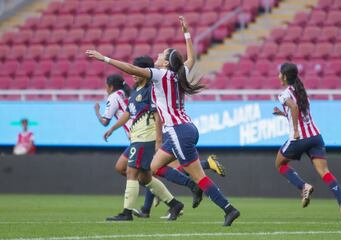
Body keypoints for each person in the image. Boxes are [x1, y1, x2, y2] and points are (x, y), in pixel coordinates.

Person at [86, 16, 240, 226]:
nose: (157, 56)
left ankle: (228, 209)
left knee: (199, 177)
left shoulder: (160, 75)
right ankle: (196, 189)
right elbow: (192, 59)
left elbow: (132, 69)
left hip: (177, 130)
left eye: (161, 55)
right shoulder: (178, 73)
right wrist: (186, 33)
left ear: (166, 62)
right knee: (154, 166)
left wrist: (105, 58)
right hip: (184, 128)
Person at [101, 55, 185, 221]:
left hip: (146, 136)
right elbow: (128, 113)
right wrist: (112, 128)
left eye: (137, 69)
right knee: (145, 177)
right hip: (137, 136)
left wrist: (158, 140)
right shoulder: (135, 91)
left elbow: (157, 115)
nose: (133, 73)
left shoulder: (151, 90)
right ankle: (174, 204)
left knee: (132, 171)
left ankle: (127, 212)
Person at [273, 62, 341, 221]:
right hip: (315, 136)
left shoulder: (284, 94)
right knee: (325, 172)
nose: (278, 76)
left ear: (285, 76)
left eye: (280, 74)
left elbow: (294, 108)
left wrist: (294, 130)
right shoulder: (302, 91)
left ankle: (304, 186)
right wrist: (283, 113)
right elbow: (298, 111)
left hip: (299, 138)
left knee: (280, 164)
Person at [94, 74, 132, 177]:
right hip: (140, 132)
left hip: (136, 135)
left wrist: (97, 112)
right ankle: (151, 186)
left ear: (111, 87)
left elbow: (105, 122)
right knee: (129, 170)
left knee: (123, 168)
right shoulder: (126, 93)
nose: (105, 89)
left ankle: (152, 186)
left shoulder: (113, 97)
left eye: (106, 86)